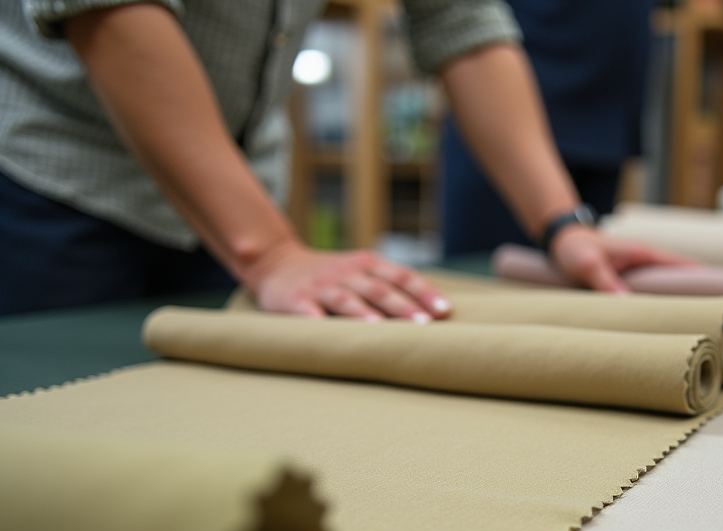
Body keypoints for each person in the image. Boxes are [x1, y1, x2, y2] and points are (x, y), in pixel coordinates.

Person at [0, 0, 687, 318]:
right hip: (48, 180)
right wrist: (266, 250)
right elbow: (111, 8)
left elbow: (461, 25)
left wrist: (562, 226)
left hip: (233, 197)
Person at [440, 0, 654, 257]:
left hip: (607, 100)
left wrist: (566, 227)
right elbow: (454, 18)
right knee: (489, 267)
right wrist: (561, 223)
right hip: (508, 89)